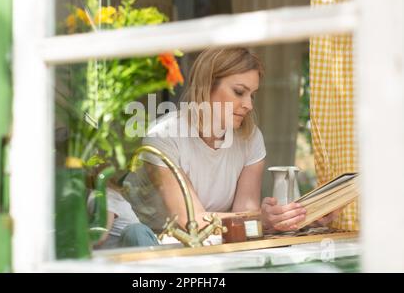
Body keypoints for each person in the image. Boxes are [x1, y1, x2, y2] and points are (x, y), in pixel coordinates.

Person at [122, 47, 339, 234]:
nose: (249, 105)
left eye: (252, 95)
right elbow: (191, 221)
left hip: (209, 244)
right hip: (144, 244)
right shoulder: (164, 136)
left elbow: (245, 218)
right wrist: (258, 219)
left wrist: (290, 219)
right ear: (206, 87)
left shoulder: (250, 138)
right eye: (239, 92)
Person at [92, 180, 159, 249]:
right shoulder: (102, 196)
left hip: (136, 251)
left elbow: (100, 237)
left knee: (135, 230)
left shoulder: (106, 196)